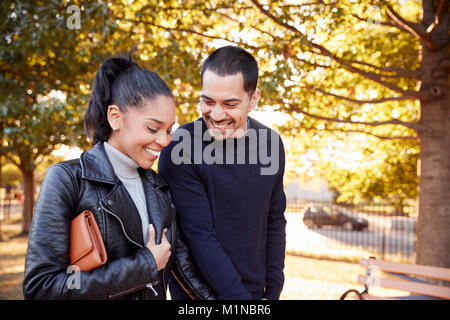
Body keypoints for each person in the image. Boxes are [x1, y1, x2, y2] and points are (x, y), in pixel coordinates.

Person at [23, 52, 214, 300]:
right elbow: (41, 287)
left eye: (169, 130)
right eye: (153, 128)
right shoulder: (67, 180)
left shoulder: (160, 188)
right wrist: (144, 266)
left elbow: (186, 269)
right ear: (115, 117)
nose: (165, 141)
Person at [158, 45, 287, 300]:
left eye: (230, 104)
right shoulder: (180, 146)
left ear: (254, 99)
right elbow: (199, 236)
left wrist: (272, 293)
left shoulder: (270, 143)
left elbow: (274, 221)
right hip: (198, 297)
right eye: (208, 101)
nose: (216, 114)